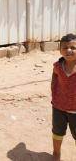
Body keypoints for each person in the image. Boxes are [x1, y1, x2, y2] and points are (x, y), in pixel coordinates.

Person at [51, 33, 76, 161]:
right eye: (65, 47)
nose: (69, 50)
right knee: (57, 132)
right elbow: (54, 76)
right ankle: (56, 153)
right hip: (58, 107)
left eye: (73, 47)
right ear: (60, 50)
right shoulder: (57, 66)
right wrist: (53, 93)